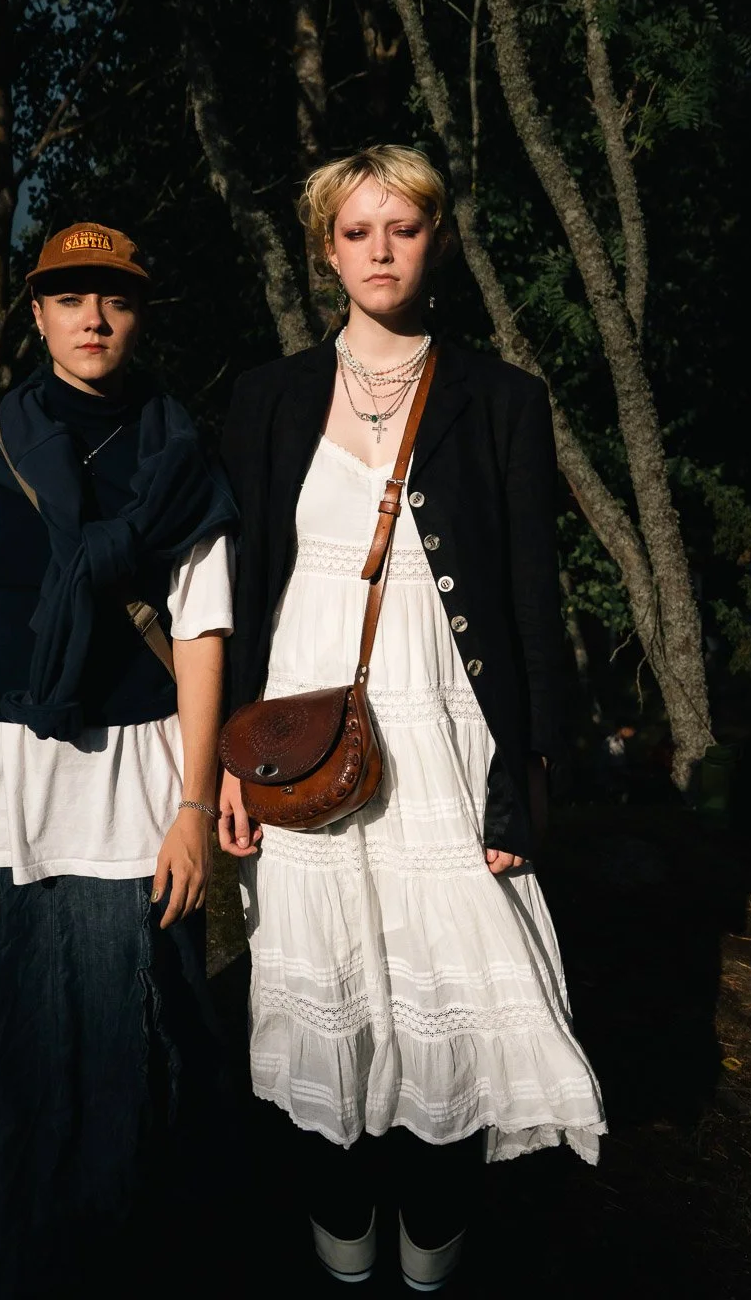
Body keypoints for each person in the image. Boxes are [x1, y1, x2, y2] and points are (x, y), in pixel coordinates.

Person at [218, 147, 605, 1291]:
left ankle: (431, 1252)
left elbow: (531, 598)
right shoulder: (265, 396)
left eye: (401, 227)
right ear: (324, 249)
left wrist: (525, 775)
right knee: (325, 995)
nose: (379, 250)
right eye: (356, 231)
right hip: (299, 733)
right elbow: (241, 588)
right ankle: (340, 1240)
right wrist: (226, 761)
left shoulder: (500, 397)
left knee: (451, 998)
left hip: (443, 730)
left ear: (435, 240)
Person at [0, 222, 237, 1296]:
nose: (93, 318)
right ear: (35, 316)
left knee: (134, 1054)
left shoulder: (182, 466)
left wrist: (192, 809)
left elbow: (200, 643)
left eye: (114, 299)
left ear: (139, 315)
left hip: (135, 795)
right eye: (69, 298)